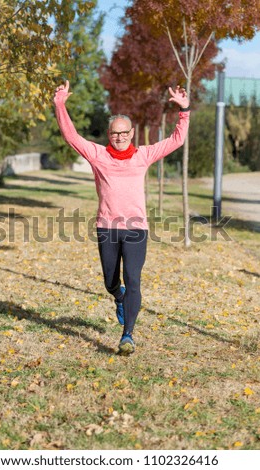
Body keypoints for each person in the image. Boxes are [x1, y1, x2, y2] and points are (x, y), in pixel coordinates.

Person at [54, 81, 190, 355]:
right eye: (115, 134)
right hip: (107, 227)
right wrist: (60, 105)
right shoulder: (98, 155)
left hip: (136, 229)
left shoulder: (143, 155)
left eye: (124, 133)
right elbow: (71, 137)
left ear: (131, 133)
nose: (119, 137)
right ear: (109, 134)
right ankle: (118, 296)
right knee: (110, 281)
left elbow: (177, 140)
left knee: (134, 278)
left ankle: (127, 335)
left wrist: (184, 111)